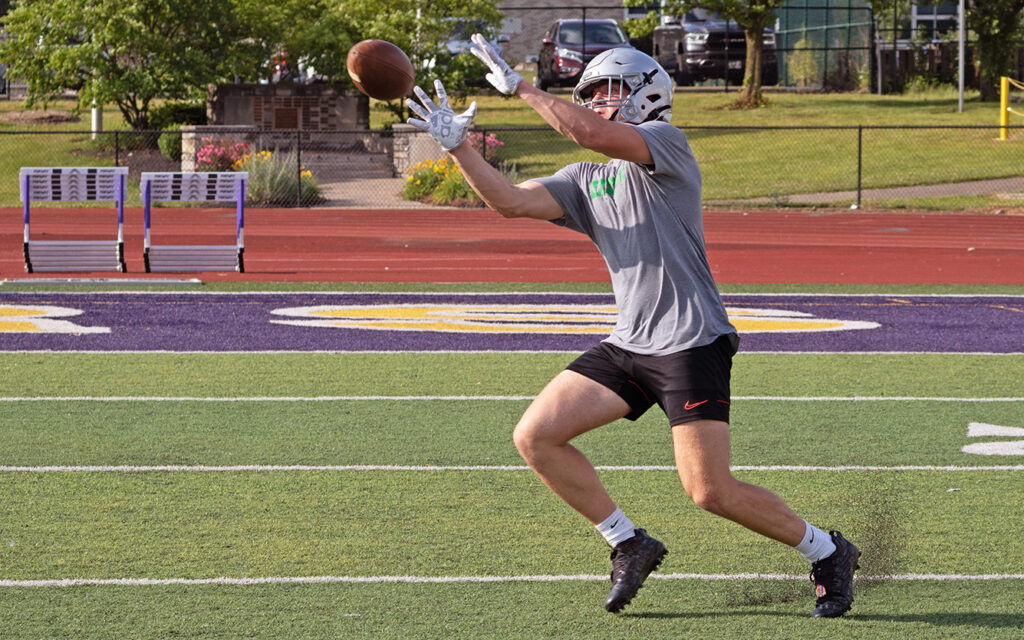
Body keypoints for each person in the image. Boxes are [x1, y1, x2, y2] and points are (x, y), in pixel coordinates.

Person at [406, 36, 861, 618]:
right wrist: (460, 148)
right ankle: (628, 541)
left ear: (648, 92)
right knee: (536, 436)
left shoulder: (666, 145)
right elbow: (509, 202)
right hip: (632, 341)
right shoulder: (587, 178)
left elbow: (591, 133)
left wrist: (521, 86)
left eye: (609, 90)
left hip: (691, 338)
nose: (598, 103)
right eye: (590, 94)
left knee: (709, 491)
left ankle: (827, 550)